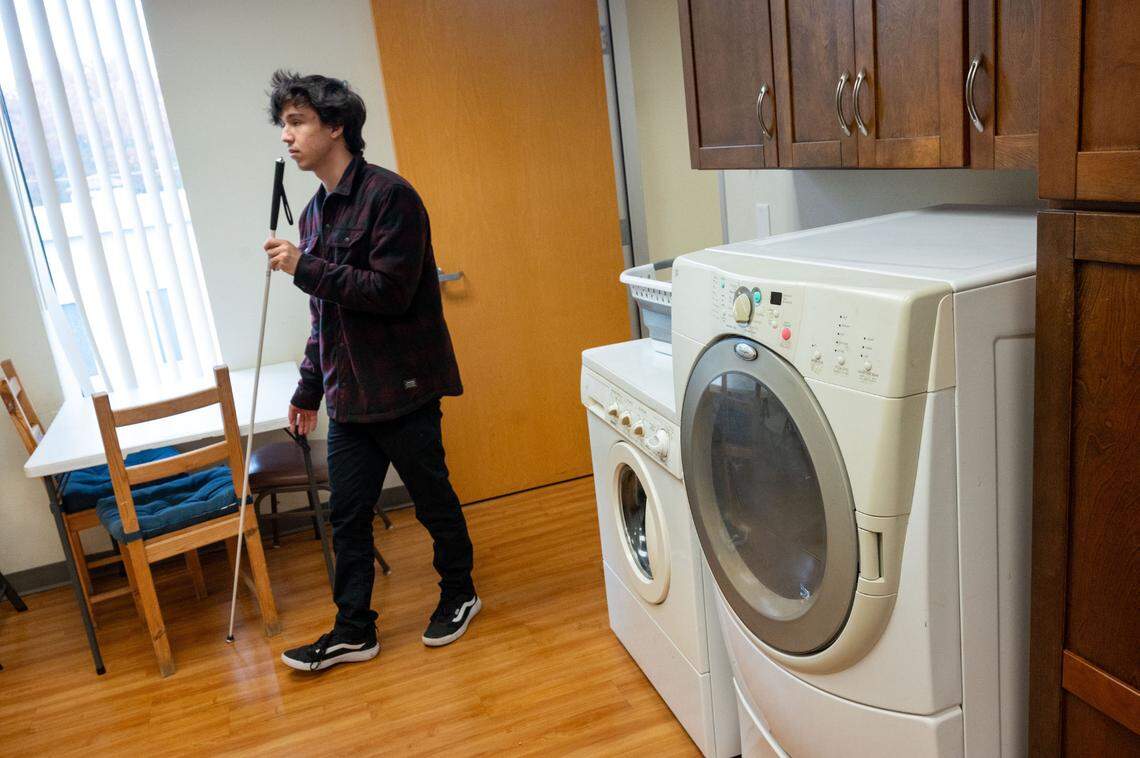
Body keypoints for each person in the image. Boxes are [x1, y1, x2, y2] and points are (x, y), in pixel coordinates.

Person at [263, 71, 478, 672]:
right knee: (347, 515)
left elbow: (387, 292)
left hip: (404, 387)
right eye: (284, 124)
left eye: (298, 121)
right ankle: (354, 628)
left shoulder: (392, 197)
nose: (288, 136)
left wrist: (306, 268)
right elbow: (324, 319)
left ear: (336, 126)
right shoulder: (312, 216)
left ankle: (460, 592)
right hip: (349, 395)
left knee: (431, 500)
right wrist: (308, 390)